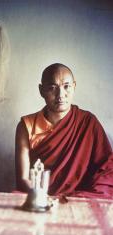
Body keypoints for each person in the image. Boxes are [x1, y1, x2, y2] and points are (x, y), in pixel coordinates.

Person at [15, 63, 113, 198]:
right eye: (52, 88)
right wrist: (44, 197)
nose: (61, 95)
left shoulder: (88, 122)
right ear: (41, 90)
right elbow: (22, 179)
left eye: (66, 86)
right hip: (39, 194)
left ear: (74, 87)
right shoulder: (26, 126)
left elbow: (107, 168)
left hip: (77, 196)